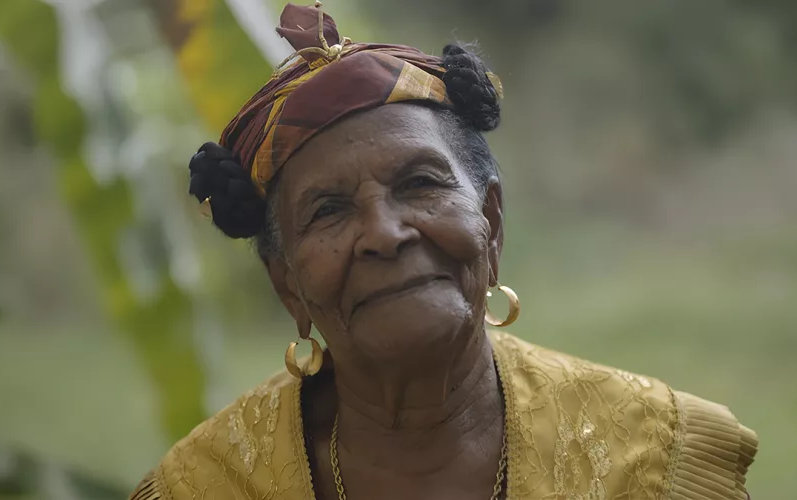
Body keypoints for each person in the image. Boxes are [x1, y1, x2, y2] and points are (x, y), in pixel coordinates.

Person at [130, 3, 757, 499]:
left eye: (420, 184)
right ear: (287, 283)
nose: (384, 233)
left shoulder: (654, 463)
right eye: (328, 210)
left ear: (491, 223)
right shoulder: (205, 486)